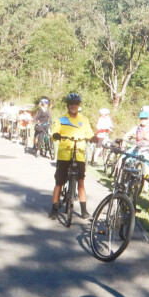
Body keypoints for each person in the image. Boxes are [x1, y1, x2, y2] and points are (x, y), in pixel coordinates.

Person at [49, 92, 97, 220]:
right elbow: (54, 133)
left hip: (79, 154)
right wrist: (56, 135)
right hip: (64, 154)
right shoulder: (61, 120)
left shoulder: (84, 120)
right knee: (59, 182)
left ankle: (84, 211)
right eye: (71, 104)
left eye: (76, 104)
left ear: (79, 105)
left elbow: (89, 133)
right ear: (67, 105)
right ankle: (54, 209)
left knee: (81, 182)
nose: (74, 106)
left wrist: (93, 137)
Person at [122, 110, 149, 177]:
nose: (143, 120)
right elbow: (127, 135)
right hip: (137, 149)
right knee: (124, 158)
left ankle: (143, 182)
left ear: (148, 119)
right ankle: (121, 177)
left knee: (146, 169)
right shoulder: (137, 128)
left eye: (145, 118)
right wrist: (123, 145)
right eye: (142, 118)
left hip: (147, 150)